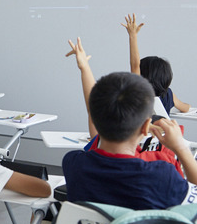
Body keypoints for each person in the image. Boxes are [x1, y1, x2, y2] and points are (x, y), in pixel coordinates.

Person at [64, 39, 197, 209]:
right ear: (145, 127)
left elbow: (92, 109)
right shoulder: (161, 174)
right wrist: (181, 148)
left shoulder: (74, 163)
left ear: (96, 120)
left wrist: (84, 68)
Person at [122, 13, 190, 114]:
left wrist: (133, 36)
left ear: (142, 75)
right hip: (163, 130)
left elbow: (135, 65)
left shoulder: (140, 93)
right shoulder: (168, 94)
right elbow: (186, 108)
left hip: (144, 130)